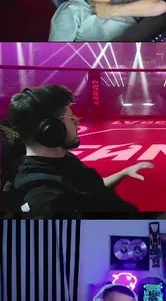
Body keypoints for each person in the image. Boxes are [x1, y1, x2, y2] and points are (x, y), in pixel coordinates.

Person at [3, 85, 150, 217]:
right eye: (70, 117)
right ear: (52, 129)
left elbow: (90, 190)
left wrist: (123, 172)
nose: (77, 122)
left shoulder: (61, 158)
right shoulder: (45, 199)